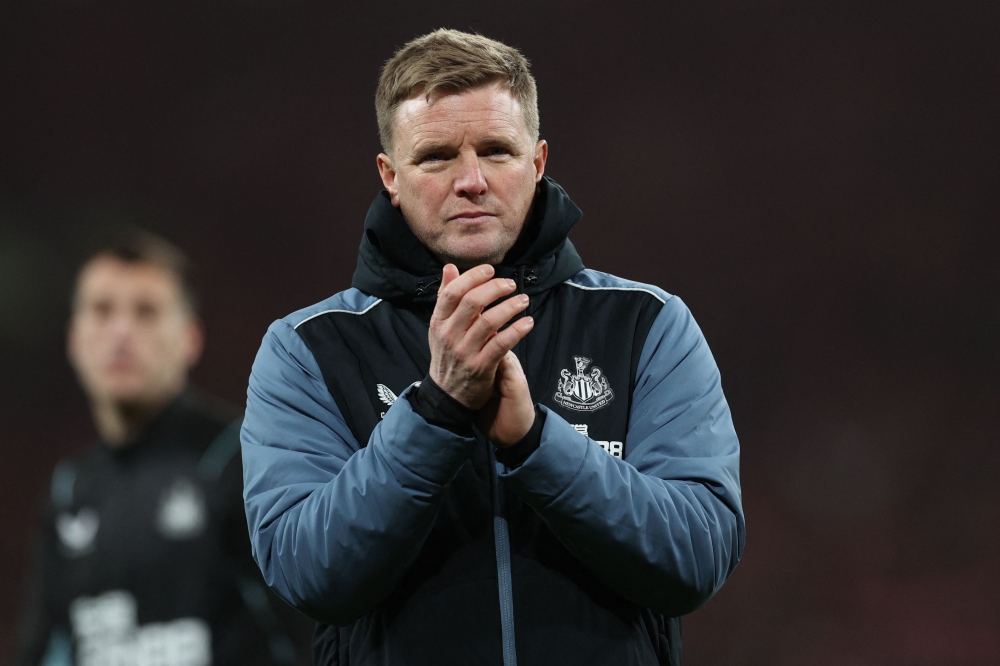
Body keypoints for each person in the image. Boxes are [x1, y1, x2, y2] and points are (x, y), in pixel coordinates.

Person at [242, 29, 745, 666]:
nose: (472, 180)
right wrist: (436, 413)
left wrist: (536, 442)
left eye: (496, 151)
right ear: (390, 175)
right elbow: (306, 573)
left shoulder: (648, 325)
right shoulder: (306, 350)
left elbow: (698, 556)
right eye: (436, 157)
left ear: (537, 164)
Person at [14, 231, 311, 666]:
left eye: (146, 312)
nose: (121, 332)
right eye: (101, 311)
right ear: (75, 337)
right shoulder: (71, 490)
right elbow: (45, 649)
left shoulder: (240, 460)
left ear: (190, 338)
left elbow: (309, 635)